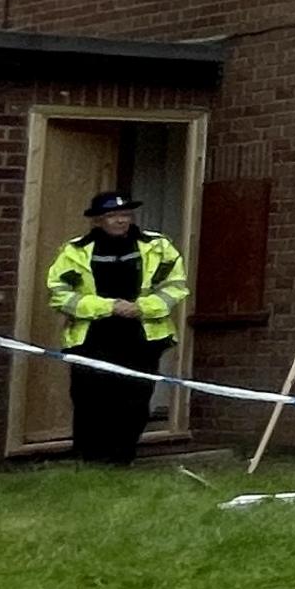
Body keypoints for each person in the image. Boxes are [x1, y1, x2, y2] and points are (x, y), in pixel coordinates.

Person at [44, 191, 187, 465]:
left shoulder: (157, 247)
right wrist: (107, 307)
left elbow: (175, 286)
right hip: (92, 338)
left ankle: (122, 460)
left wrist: (142, 308)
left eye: (125, 215)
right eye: (112, 216)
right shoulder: (75, 252)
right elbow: (59, 293)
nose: (121, 221)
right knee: (90, 401)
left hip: (142, 337)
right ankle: (90, 461)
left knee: (134, 402)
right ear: (98, 221)